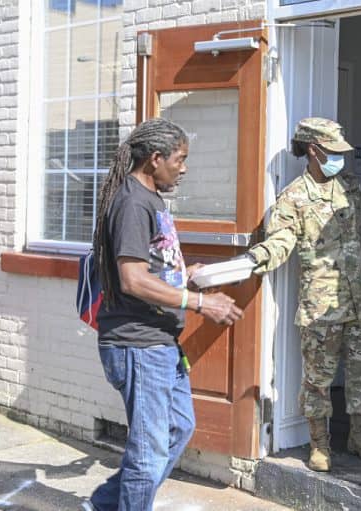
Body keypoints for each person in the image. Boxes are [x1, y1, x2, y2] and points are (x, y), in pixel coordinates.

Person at [87, 118, 244, 511]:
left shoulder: (149, 198)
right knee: (149, 451)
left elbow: (150, 266)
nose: (184, 168)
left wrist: (184, 275)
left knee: (178, 427)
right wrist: (200, 303)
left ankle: (104, 504)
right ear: (155, 159)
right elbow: (133, 280)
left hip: (158, 342)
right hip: (138, 344)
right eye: (180, 159)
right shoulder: (133, 203)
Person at [247, 118, 361, 472]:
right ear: (314, 151)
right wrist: (256, 257)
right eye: (334, 151)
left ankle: (359, 437)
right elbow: (281, 242)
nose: (340, 159)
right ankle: (320, 445)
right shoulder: (294, 197)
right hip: (321, 310)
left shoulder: (349, 187)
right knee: (318, 380)